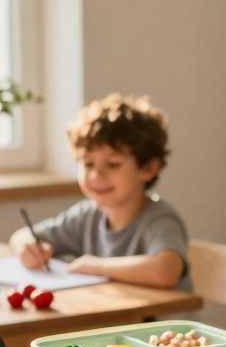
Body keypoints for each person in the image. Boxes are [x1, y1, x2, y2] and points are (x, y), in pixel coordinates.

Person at [11, 93, 191, 291]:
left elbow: (166, 271)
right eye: (88, 164)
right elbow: (21, 236)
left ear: (148, 169)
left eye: (113, 165)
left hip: (159, 322)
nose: (96, 176)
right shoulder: (86, 216)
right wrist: (28, 248)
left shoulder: (159, 219)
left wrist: (96, 266)